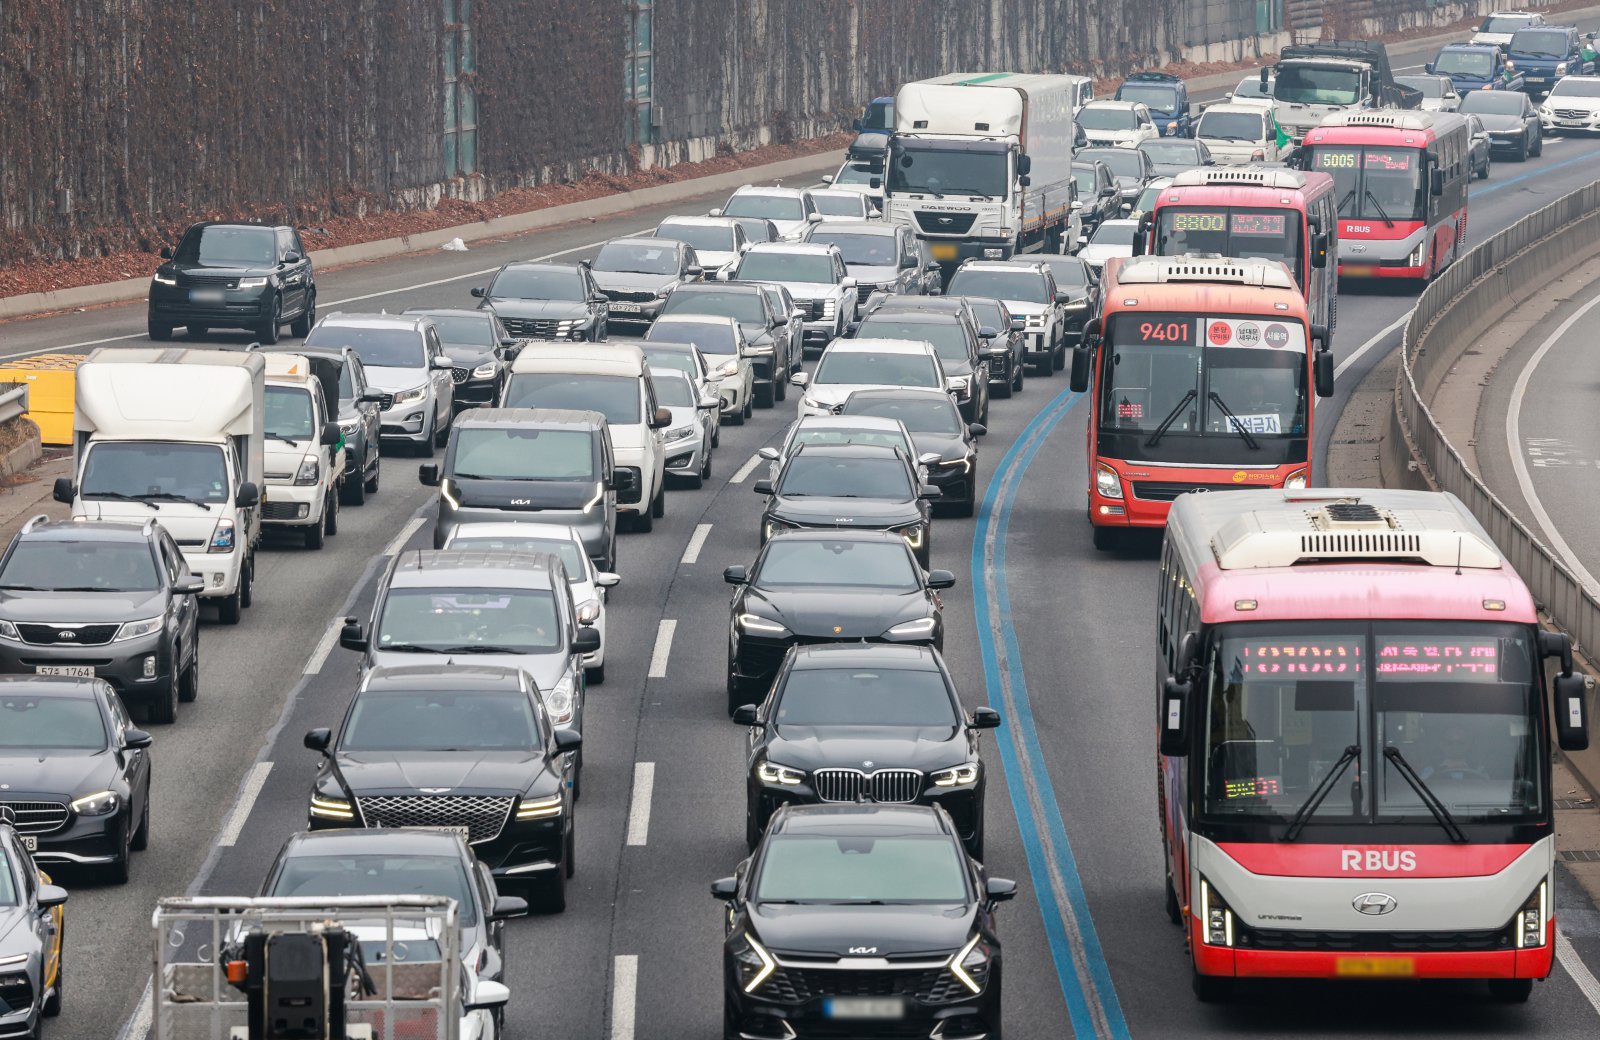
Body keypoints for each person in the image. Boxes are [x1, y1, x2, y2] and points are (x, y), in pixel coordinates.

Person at [1420, 721, 1489, 781]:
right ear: (1441, 744)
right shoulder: (1430, 771)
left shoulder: (1479, 770)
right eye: (1449, 743)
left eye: (1460, 743)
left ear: (1468, 744)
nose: (1455, 746)